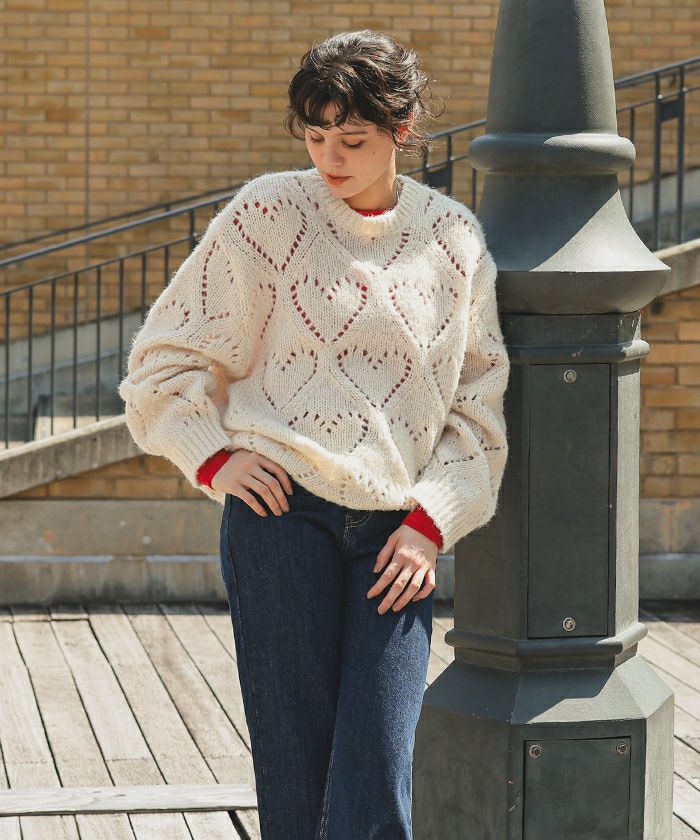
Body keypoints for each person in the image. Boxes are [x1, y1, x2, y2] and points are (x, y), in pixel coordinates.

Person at [118, 28, 510, 840]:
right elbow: (162, 360)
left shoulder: (453, 238)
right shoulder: (268, 214)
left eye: (352, 139)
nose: (330, 157)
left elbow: (477, 403)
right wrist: (213, 457)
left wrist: (432, 521)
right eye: (316, 135)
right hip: (279, 516)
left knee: (380, 766)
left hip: (397, 534)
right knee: (294, 766)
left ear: (402, 129)